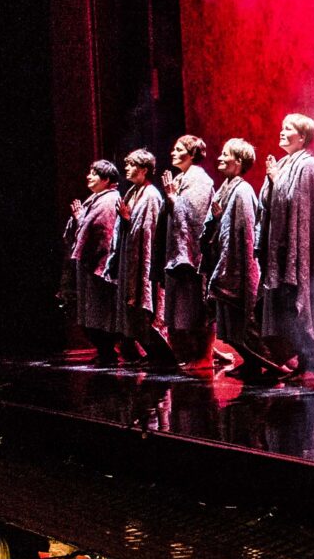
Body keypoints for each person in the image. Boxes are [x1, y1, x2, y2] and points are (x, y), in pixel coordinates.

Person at [256, 113, 314, 377]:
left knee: (303, 301)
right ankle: (302, 360)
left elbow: (298, 205)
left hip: (301, 248)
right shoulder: (285, 162)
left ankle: (311, 362)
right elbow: (269, 202)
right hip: (282, 249)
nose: (281, 132)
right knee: (287, 306)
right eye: (281, 126)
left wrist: (276, 182)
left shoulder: (308, 165)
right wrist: (272, 182)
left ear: (302, 137)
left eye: (288, 128)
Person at [202, 137, 286, 380]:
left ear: (238, 162)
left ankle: (267, 365)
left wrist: (246, 268)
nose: (220, 157)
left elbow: (248, 233)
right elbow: (221, 229)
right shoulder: (225, 189)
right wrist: (216, 222)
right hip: (225, 263)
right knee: (229, 324)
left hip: (238, 266)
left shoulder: (243, 191)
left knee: (243, 322)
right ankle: (250, 364)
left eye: (226, 154)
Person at [112, 148, 179, 367]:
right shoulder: (133, 191)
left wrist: (128, 220)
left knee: (145, 312)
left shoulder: (150, 195)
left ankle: (162, 355)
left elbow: (148, 233)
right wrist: (126, 220)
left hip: (143, 260)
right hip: (131, 259)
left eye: (131, 165)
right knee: (134, 313)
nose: (127, 168)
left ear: (143, 169)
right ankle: (152, 354)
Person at [62, 159, 126, 365]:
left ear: (107, 180)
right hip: (91, 266)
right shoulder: (95, 199)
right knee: (93, 312)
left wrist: (81, 219)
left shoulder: (108, 201)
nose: (89, 176)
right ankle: (105, 352)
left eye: (94, 173)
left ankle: (108, 352)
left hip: (100, 266)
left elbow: (102, 232)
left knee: (101, 312)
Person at [164, 134, 217, 367]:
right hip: (182, 252)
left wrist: (174, 199)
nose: (173, 153)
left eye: (179, 149)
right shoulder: (182, 178)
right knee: (187, 304)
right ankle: (198, 355)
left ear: (192, 154)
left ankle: (204, 355)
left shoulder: (200, 180)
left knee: (198, 304)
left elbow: (195, 216)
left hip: (195, 252)